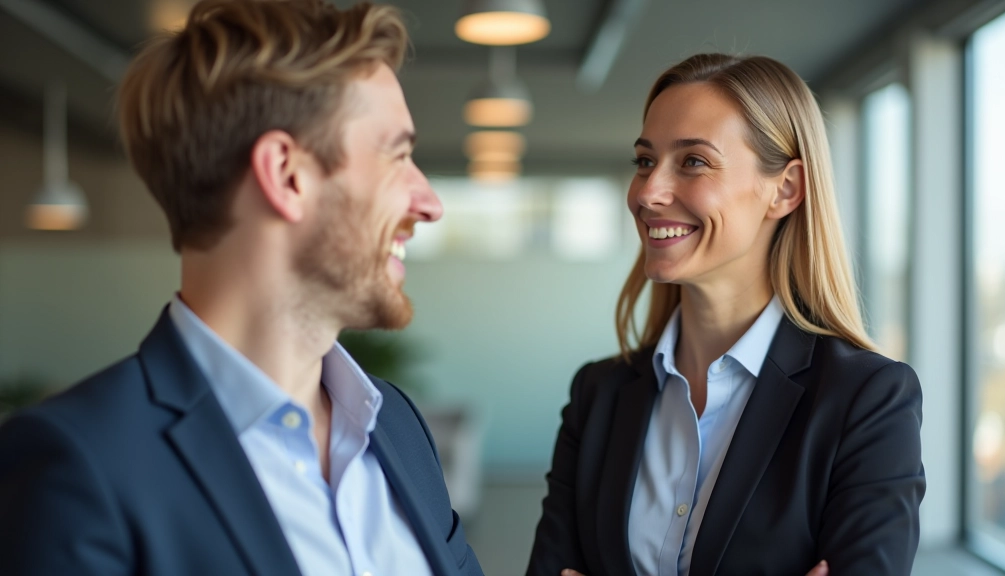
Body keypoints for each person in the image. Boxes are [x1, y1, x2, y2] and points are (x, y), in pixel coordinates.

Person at [0, 1, 483, 575]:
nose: (429, 203)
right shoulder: (77, 466)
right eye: (397, 154)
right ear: (286, 175)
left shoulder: (397, 425)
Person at [526, 53, 925, 576]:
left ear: (784, 189)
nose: (648, 193)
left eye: (693, 161)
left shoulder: (868, 402)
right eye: (645, 161)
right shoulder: (597, 396)